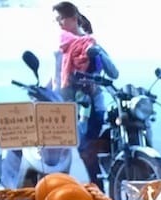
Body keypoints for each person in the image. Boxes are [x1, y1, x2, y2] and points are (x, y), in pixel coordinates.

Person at [52, 2, 118, 188]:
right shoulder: (62, 48)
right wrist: (42, 90)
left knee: (87, 151)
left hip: (91, 108)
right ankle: (59, 191)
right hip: (64, 109)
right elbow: (57, 77)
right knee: (58, 155)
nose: (58, 23)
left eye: (61, 18)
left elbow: (114, 73)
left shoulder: (90, 44)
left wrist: (97, 54)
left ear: (73, 19)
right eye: (56, 20)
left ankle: (99, 191)